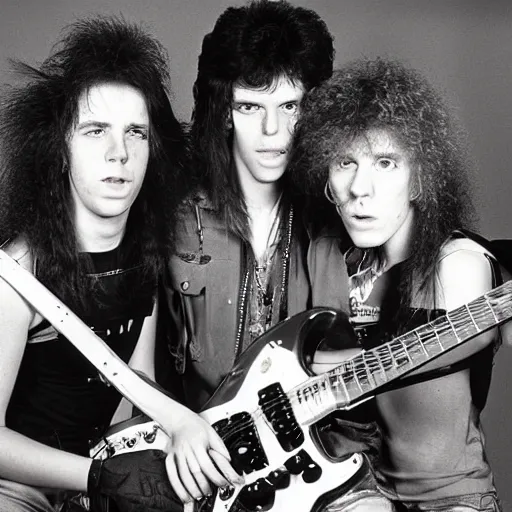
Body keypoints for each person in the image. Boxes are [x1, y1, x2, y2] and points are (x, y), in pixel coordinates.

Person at [0, 16, 240, 512]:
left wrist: (171, 446)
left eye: (136, 132)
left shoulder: (144, 251)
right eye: (95, 131)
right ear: (59, 147)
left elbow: (135, 379)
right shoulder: (17, 272)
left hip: (96, 479)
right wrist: (99, 476)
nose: (119, 153)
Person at [164, 1, 394, 510]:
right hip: (214, 466)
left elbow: (423, 233)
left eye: (290, 106)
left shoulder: (345, 212)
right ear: (224, 111)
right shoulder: (176, 219)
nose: (272, 132)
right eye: (251, 107)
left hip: (330, 458)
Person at [289, 57, 507, 511]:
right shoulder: (339, 264)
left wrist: (311, 369)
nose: (359, 188)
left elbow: (411, 356)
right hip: (360, 489)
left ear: (420, 178)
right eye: (345, 162)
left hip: (451, 498)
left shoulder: (457, 262)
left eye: (385, 162)